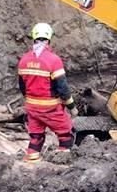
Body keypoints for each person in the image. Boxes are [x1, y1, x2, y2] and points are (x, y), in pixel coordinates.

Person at [17, 22, 77, 164]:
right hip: (50, 108)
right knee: (65, 133)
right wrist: (72, 107)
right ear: (49, 38)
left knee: (36, 135)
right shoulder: (53, 60)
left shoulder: (24, 60)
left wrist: (31, 99)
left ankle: (32, 161)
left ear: (33, 38)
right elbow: (62, 88)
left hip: (32, 107)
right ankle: (63, 162)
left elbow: (22, 86)